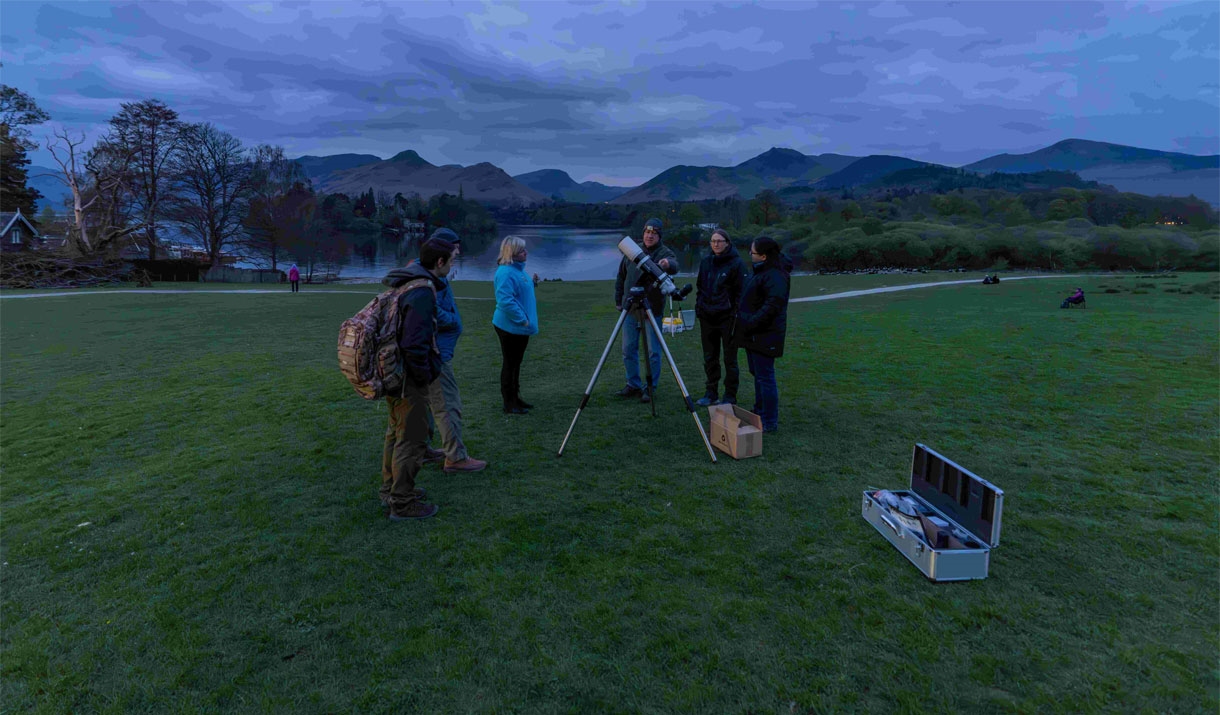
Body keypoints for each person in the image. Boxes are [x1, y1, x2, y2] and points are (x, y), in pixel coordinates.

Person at [378, 237, 455, 521]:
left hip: (393, 371)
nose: (453, 264)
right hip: (409, 377)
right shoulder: (422, 292)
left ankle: (390, 490)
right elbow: (414, 344)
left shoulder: (406, 282)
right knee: (412, 439)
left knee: (395, 433)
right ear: (440, 262)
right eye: (452, 259)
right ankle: (403, 503)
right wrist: (424, 377)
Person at [422, 227, 487, 474]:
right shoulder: (429, 278)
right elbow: (429, 308)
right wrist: (452, 320)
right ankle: (456, 458)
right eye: (454, 249)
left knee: (426, 404)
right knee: (448, 404)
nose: (458, 253)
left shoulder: (433, 272)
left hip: (431, 351)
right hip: (436, 352)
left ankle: (423, 449)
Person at [613, 217, 678, 403]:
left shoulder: (665, 253)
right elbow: (621, 277)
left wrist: (666, 264)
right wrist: (619, 300)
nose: (650, 236)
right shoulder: (632, 252)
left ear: (659, 236)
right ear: (643, 234)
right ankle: (632, 384)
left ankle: (650, 387)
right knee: (628, 349)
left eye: (654, 233)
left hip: (652, 309)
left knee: (653, 352)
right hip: (630, 309)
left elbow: (674, 264)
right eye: (647, 232)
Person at [734, 235, 790, 433]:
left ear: (764, 256)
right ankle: (759, 411)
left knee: (765, 377)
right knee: (757, 374)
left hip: (764, 335)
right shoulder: (760, 272)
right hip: (753, 334)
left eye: (753, 252)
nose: (750, 255)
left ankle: (769, 420)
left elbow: (772, 307)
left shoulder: (775, 276)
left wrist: (750, 322)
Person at [694, 228, 748, 406]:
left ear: (727, 243)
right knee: (710, 357)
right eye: (713, 241)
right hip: (707, 316)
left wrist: (736, 314)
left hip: (727, 318)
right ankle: (711, 393)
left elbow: (742, 292)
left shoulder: (737, 264)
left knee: (729, 359)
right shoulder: (706, 262)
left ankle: (730, 396)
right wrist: (699, 307)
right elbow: (700, 286)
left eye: (719, 241)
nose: (715, 244)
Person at [492, 235, 539, 415]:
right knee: (510, 363)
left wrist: (532, 283)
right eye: (521, 250)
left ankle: (516, 398)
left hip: (520, 327)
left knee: (516, 363)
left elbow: (519, 292)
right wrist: (523, 319)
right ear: (512, 253)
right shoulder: (505, 272)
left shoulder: (518, 270)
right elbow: (505, 301)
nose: (526, 252)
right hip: (510, 327)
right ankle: (509, 403)